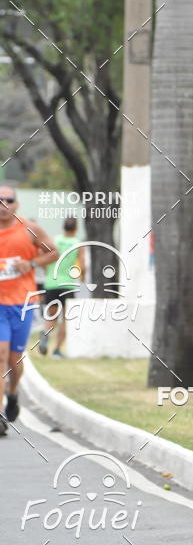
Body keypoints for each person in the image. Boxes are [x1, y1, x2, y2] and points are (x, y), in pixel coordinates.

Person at [0, 186, 58, 434]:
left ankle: (13, 393)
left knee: (14, 359)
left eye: (8, 200)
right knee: (0, 355)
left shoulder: (29, 227)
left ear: (17, 204)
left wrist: (31, 263)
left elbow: (54, 252)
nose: (4, 204)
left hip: (22, 302)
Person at [39, 216, 86, 358]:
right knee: (66, 319)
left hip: (51, 283)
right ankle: (57, 350)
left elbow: (44, 256)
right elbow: (82, 265)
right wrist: (82, 278)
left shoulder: (54, 240)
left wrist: (48, 272)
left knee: (51, 315)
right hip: (68, 284)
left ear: (63, 227)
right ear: (76, 228)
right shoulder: (78, 243)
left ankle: (46, 334)